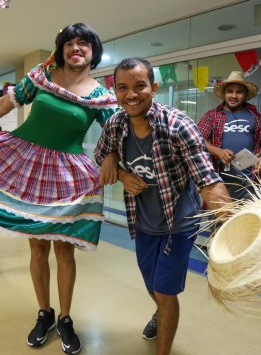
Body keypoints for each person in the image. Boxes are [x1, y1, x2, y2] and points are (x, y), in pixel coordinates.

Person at [0, 23, 117, 354]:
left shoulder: (102, 96)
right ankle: (45, 314)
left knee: (65, 251)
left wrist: (113, 157)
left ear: (92, 51)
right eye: (69, 43)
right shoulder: (43, 74)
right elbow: (1, 106)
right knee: (38, 249)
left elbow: (116, 132)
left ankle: (66, 319)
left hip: (67, 176)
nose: (76, 48)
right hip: (26, 165)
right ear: (60, 50)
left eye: (83, 43)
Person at [94, 58, 230, 355]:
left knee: (165, 292)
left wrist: (232, 222)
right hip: (142, 222)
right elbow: (100, 154)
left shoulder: (178, 125)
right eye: (123, 88)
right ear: (115, 92)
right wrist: (118, 169)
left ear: (153, 88)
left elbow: (208, 179)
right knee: (152, 284)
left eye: (139, 86)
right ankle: (161, 311)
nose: (131, 94)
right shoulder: (115, 124)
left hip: (178, 223)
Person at [197, 71, 261, 200]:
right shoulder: (212, 115)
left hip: (248, 182)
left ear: (245, 95)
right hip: (218, 182)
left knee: (247, 219)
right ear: (224, 94)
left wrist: (259, 156)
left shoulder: (256, 116)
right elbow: (197, 139)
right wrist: (218, 152)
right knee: (220, 219)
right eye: (230, 91)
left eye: (239, 92)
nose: (233, 95)